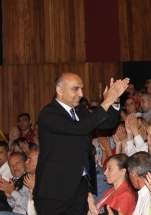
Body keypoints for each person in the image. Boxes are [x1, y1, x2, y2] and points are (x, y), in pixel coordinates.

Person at [34, 74, 129, 215]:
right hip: (54, 191)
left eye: (81, 89)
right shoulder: (49, 113)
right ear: (59, 90)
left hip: (78, 187)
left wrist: (114, 101)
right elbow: (80, 129)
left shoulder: (79, 110)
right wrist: (106, 101)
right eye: (75, 89)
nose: (81, 94)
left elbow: (106, 123)